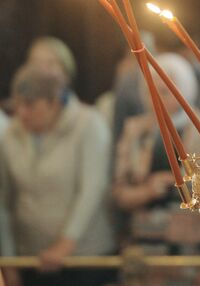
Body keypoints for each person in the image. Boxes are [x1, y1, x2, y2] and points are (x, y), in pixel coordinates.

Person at [112, 53, 200, 285]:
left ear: (183, 90)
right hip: (143, 252)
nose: (156, 99)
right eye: (149, 91)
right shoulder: (135, 132)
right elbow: (119, 193)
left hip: (194, 248)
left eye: (164, 91)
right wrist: (147, 191)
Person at [0, 65, 115, 286]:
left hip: (84, 259)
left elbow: (92, 188)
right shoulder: (12, 134)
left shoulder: (89, 124)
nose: (21, 112)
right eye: (18, 104)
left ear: (54, 102)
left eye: (30, 105)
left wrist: (65, 244)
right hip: (31, 258)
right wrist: (9, 261)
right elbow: (4, 201)